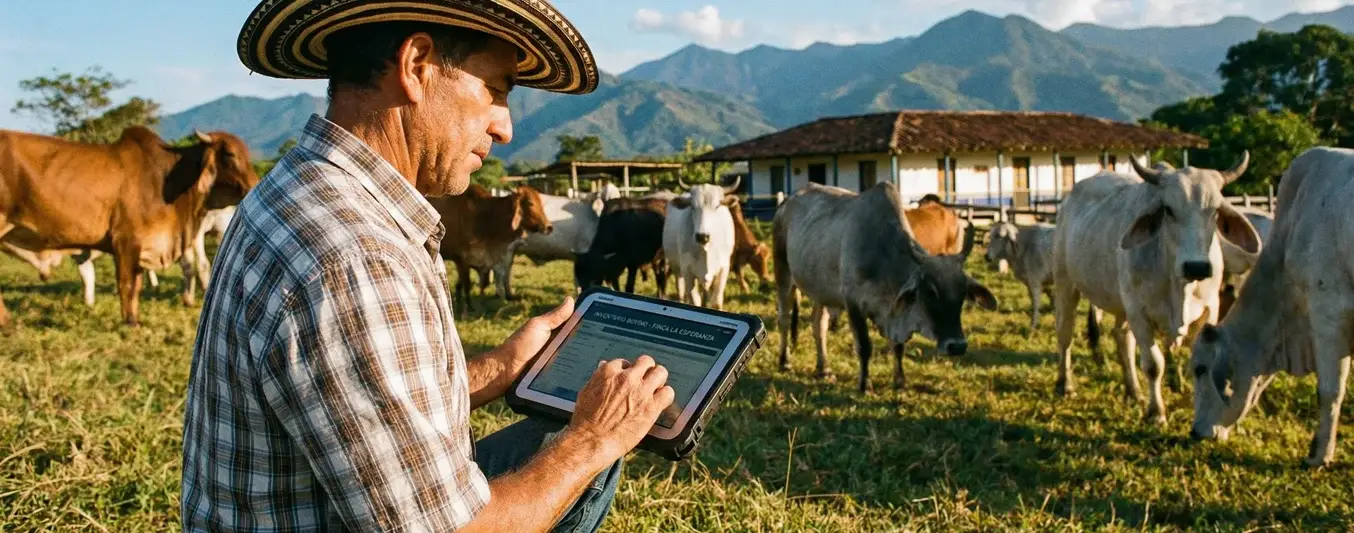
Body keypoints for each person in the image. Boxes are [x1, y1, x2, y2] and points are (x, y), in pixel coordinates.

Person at [180, 1, 675, 531]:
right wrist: (595, 439)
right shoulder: (357, 257)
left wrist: (504, 366)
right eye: (496, 90)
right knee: (584, 453)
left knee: (555, 439)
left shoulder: (300, 188)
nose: (505, 128)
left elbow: (367, 402)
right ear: (416, 66)